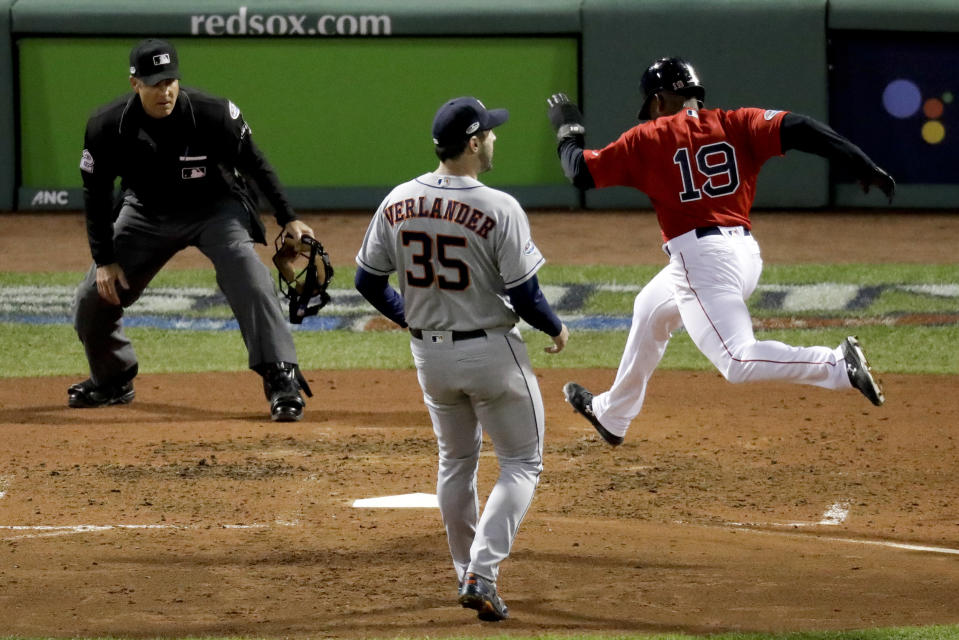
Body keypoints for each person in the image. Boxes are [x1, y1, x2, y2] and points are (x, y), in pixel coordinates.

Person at [546, 57, 893, 447]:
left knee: (737, 361)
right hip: (744, 255)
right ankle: (613, 413)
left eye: (650, 107)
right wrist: (859, 162)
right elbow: (801, 128)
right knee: (650, 309)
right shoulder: (737, 122)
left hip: (700, 261)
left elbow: (579, 171)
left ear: (660, 101)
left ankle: (835, 365)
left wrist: (567, 129)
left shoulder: (648, 138)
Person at [355, 96, 570, 621]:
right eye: (490, 133)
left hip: (430, 357)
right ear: (472, 143)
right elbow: (525, 295)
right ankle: (484, 571)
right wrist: (556, 327)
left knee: (456, 461)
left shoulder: (397, 200)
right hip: (492, 354)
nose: (496, 139)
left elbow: (367, 280)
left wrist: (410, 316)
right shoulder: (499, 207)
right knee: (522, 462)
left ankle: (465, 571)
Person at [70, 38, 315, 422]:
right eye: (154, 83)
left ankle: (281, 376)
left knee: (248, 274)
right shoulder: (107, 126)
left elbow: (255, 163)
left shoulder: (213, 113)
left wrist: (288, 217)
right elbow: (96, 194)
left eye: (170, 81)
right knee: (92, 297)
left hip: (216, 209)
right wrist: (104, 259)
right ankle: (113, 379)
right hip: (145, 213)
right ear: (135, 84)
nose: (164, 91)